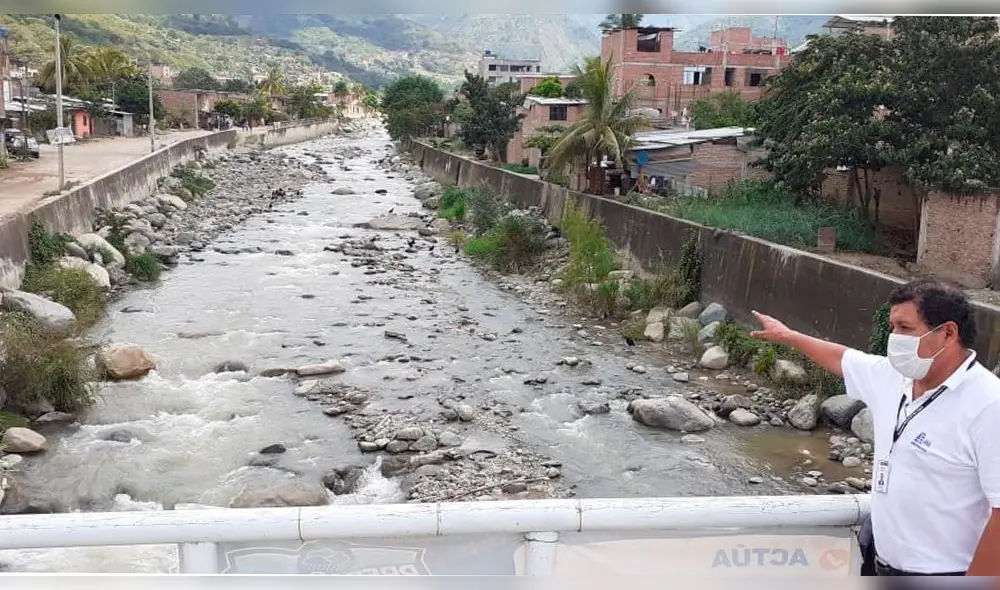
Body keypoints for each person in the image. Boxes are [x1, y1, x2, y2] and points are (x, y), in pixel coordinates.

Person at [750, 278, 1000, 576]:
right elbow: (842, 358)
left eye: (905, 328)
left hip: (945, 574)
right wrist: (788, 336)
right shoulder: (893, 377)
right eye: (893, 327)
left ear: (948, 333)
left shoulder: (988, 404)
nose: (894, 337)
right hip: (879, 561)